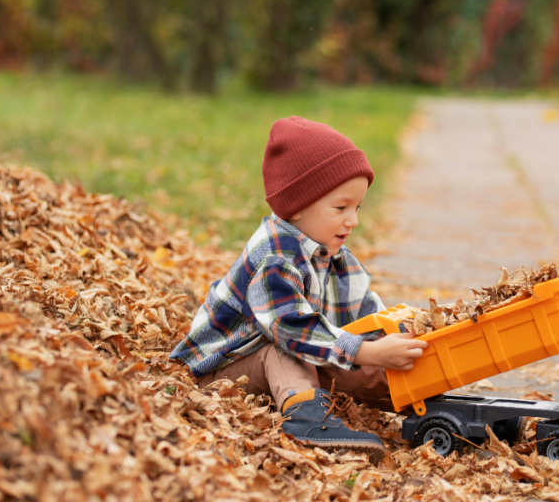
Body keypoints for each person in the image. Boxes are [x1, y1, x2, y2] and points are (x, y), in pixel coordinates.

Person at [169, 116, 427, 462]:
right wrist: (365, 353)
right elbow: (289, 328)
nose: (353, 220)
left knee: (368, 358)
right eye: (341, 208)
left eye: (357, 207)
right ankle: (306, 418)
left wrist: (398, 344)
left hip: (292, 359)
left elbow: (368, 317)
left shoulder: (336, 255)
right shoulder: (274, 256)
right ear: (299, 205)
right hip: (224, 369)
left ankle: (440, 410)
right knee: (287, 346)